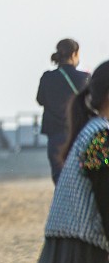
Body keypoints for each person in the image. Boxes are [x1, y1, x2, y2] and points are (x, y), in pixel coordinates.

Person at [25, 59, 109, 263]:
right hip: (81, 241)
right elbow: (105, 195)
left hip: (72, 237)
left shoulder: (93, 132)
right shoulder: (100, 137)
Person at [38, 39, 91, 184]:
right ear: (74, 54)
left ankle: (63, 205)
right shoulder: (85, 78)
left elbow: (40, 100)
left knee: (59, 178)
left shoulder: (47, 78)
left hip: (55, 135)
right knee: (82, 178)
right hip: (79, 134)